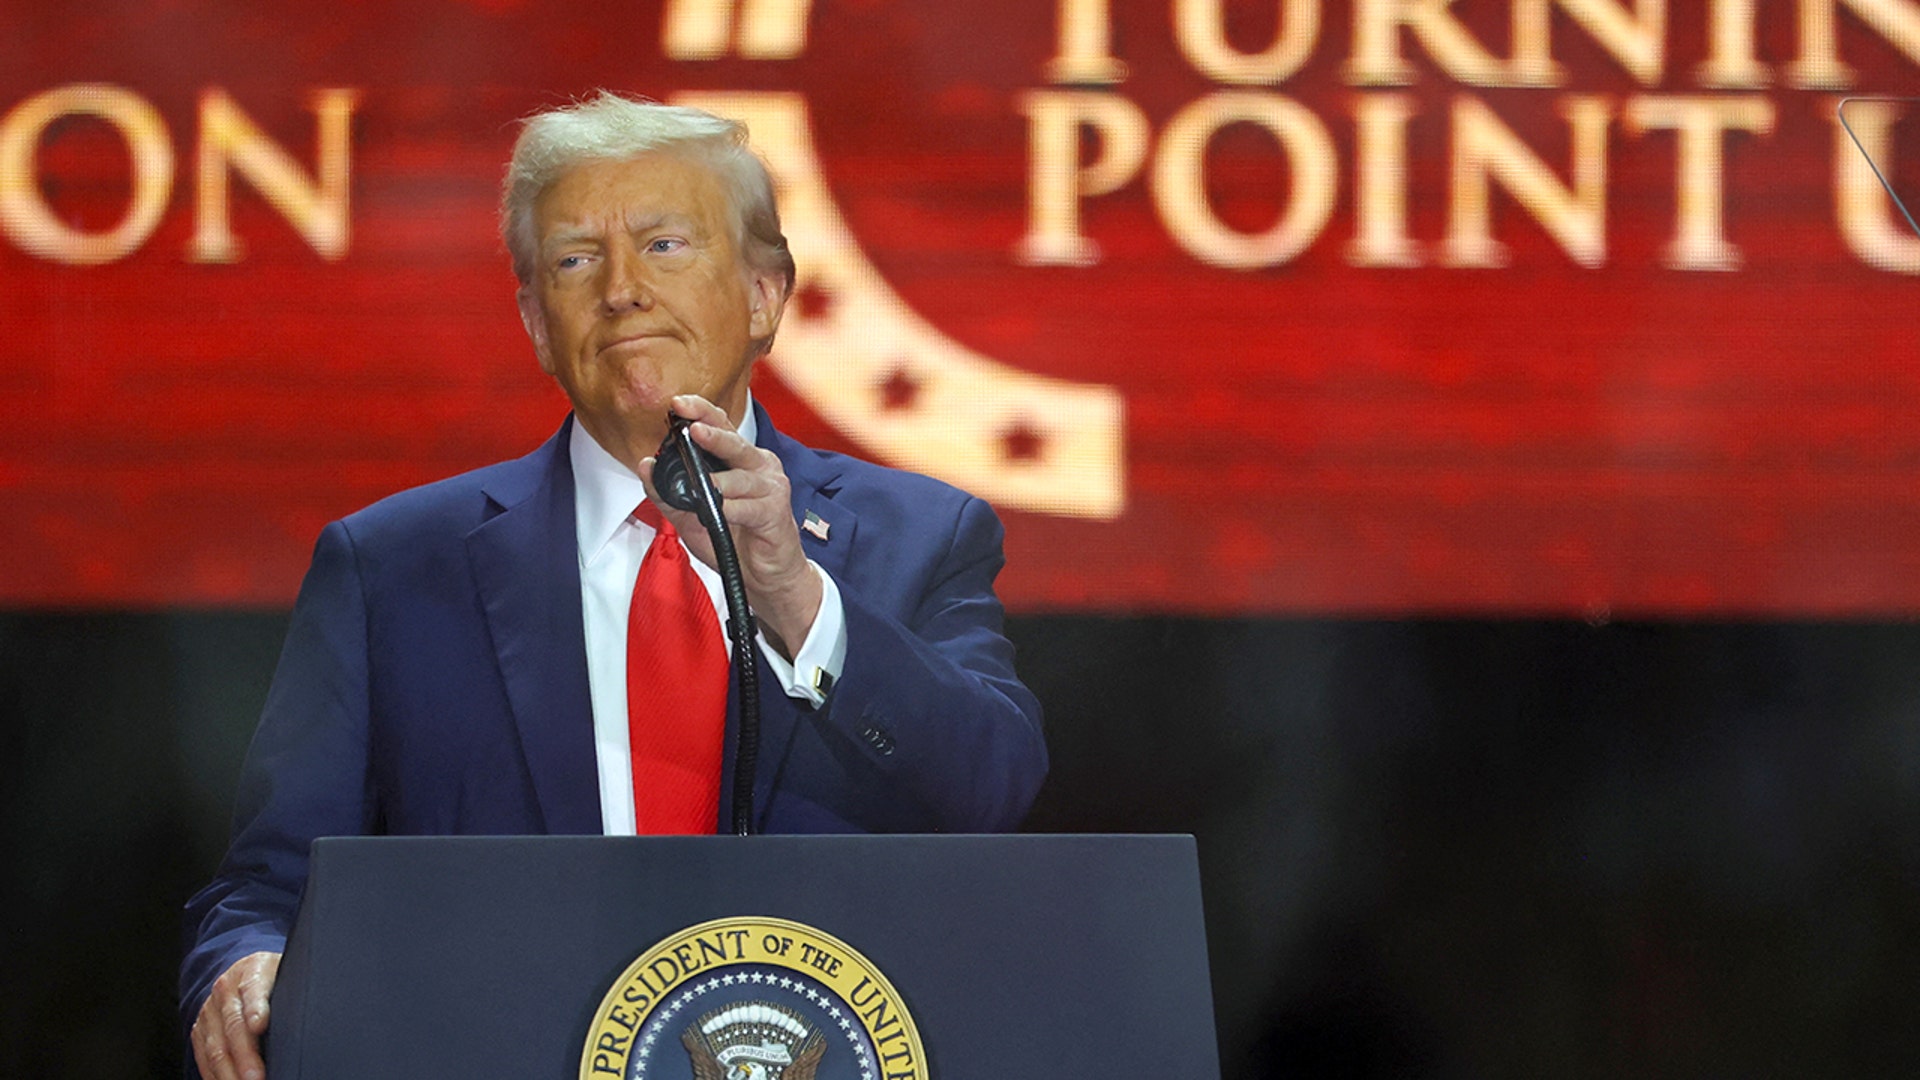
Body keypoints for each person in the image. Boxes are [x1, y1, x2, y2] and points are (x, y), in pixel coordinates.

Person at [180, 93, 1047, 1080]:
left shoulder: (922, 535)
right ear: (538, 326)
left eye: (666, 244)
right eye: (575, 260)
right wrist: (247, 963)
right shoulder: (392, 568)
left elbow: (992, 790)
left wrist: (798, 600)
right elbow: (268, 886)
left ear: (765, 293)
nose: (622, 290)